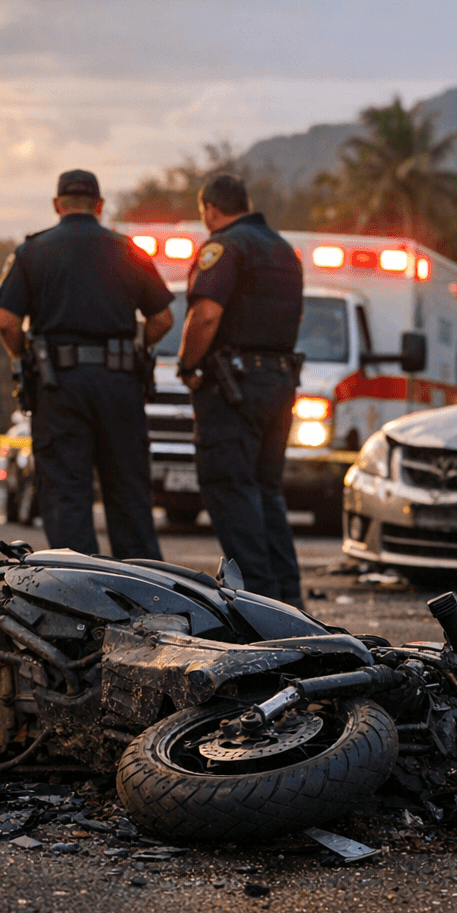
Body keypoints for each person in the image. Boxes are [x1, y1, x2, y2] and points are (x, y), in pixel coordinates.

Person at [0, 169, 173, 559]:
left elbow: (6, 322)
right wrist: (132, 348)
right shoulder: (130, 250)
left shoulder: (32, 252)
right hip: (120, 386)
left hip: (59, 387)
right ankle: (144, 591)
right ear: (100, 206)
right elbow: (163, 320)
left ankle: (81, 591)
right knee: (128, 491)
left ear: (58, 205)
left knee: (66, 492)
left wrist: (27, 357)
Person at [176, 174, 305, 607]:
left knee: (231, 489)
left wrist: (188, 365)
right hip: (279, 384)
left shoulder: (225, 246)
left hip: (233, 390)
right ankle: (290, 602)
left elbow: (206, 315)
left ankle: (259, 609)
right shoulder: (284, 250)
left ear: (210, 210)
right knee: (266, 491)